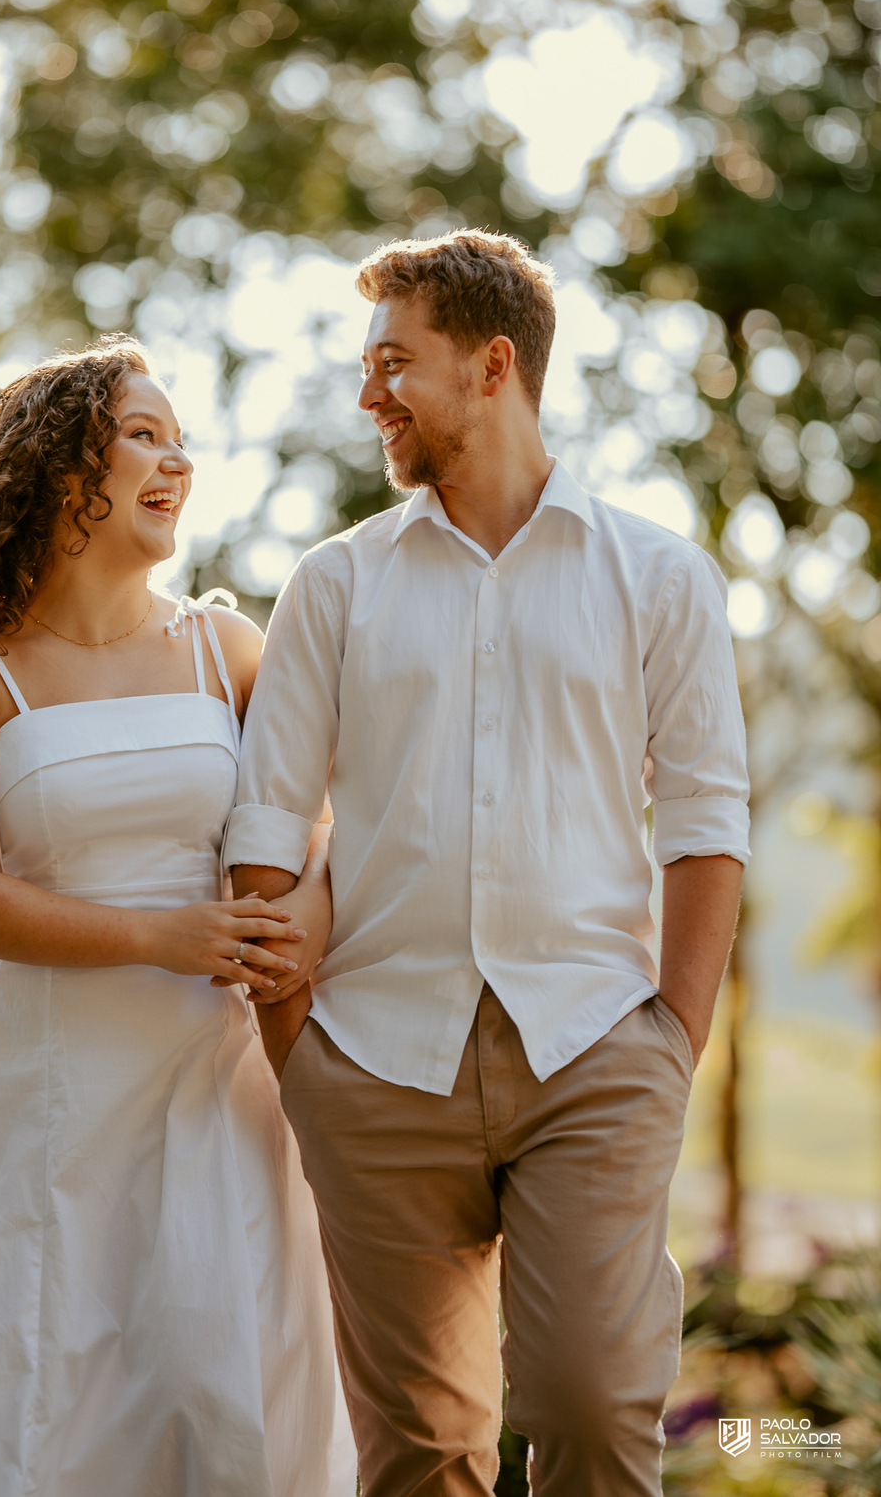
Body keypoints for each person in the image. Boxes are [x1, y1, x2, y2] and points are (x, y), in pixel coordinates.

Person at [224, 230, 750, 1497]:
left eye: (393, 362)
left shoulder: (659, 577)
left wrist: (673, 1037)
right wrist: (300, 1049)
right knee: (419, 1456)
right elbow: (265, 828)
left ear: (491, 365)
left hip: (595, 1049)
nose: (368, 394)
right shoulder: (335, 585)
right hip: (373, 1063)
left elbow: (705, 824)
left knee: (593, 1410)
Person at [0, 339, 354, 1496]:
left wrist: (304, 927)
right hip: (40, 1100)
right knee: (44, 1388)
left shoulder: (226, 651)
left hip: (219, 1083)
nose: (176, 459)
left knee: (225, 1368)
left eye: (178, 439)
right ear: (55, 471)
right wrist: (158, 937)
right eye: (143, 434)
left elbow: (328, 833)